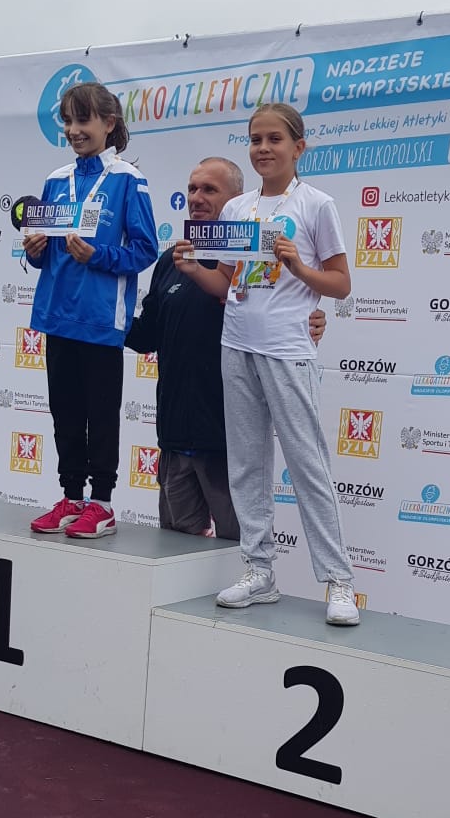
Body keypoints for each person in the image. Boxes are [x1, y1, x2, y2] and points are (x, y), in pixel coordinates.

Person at [173, 104, 360, 626]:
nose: (263, 148)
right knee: (247, 464)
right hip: (237, 345)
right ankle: (260, 571)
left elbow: (341, 284)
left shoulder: (317, 205)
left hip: (288, 348)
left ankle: (339, 580)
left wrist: (298, 265)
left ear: (298, 147)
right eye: (255, 139)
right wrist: (192, 268)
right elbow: (226, 282)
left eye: (274, 139)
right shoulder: (237, 208)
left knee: (307, 465)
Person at [127, 157, 325, 540]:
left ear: (236, 200)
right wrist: (98, 317)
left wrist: (310, 322)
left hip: (231, 447)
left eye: (209, 189)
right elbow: (147, 335)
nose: (196, 197)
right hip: (175, 442)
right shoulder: (171, 260)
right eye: (192, 188)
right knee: (174, 560)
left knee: (242, 554)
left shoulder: (256, 259)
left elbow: (285, 313)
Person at [24, 83, 158, 539]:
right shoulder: (55, 180)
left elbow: (145, 249)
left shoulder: (127, 179)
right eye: (68, 121)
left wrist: (98, 255)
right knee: (64, 412)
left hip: (101, 318)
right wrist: (36, 250)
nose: (74, 130)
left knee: (100, 415)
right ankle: (71, 497)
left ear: (109, 123)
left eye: (83, 120)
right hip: (56, 314)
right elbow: (45, 255)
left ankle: (102, 503)